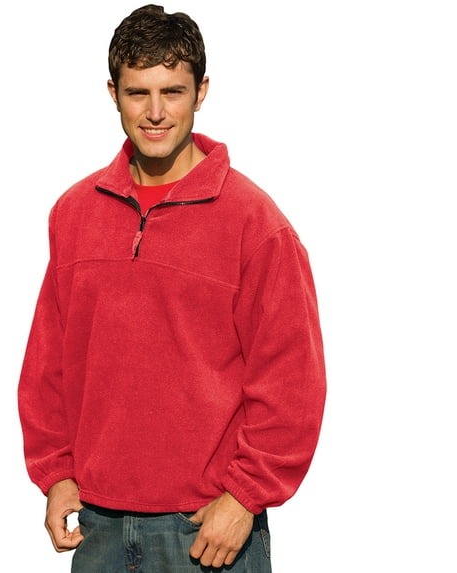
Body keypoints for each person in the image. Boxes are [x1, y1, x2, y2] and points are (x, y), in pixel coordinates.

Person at [18, 4, 326, 572]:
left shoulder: (255, 224)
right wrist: (56, 474)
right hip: (98, 528)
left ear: (201, 92)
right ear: (113, 93)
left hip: (207, 530)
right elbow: (48, 364)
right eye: (138, 93)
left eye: (173, 92)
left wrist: (245, 498)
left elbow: (292, 381)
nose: (155, 112)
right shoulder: (74, 214)